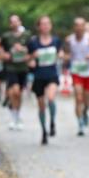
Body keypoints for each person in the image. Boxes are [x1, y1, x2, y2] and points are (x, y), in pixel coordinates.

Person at [27, 15, 62, 145]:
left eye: (48, 23)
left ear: (51, 26)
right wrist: (32, 58)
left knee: (51, 98)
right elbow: (27, 59)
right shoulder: (33, 42)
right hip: (39, 76)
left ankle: (52, 122)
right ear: (39, 27)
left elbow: (60, 54)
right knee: (41, 106)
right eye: (43, 24)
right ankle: (44, 131)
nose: (46, 26)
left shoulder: (56, 41)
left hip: (52, 74)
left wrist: (61, 55)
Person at [65, 18, 89, 136]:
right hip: (76, 71)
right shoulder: (69, 40)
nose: (79, 28)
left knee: (86, 101)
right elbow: (66, 54)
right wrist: (65, 57)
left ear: (84, 27)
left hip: (88, 72)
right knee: (78, 98)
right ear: (74, 27)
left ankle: (85, 112)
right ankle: (80, 124)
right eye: (77, 25)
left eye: (81, 25)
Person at [0, 15, 30, 130]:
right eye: (12, 22)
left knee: (18, 94)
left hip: (23, 68)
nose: (15, 23)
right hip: (11, 67)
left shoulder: (27, 35)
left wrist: (23, 50)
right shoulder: (6, 36)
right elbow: (0, 48)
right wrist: (4, 55)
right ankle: (13, 117)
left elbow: (32, 48)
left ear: (20, 22)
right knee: (15, 92)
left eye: (16, 21)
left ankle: (17, 115)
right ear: (10, 24)